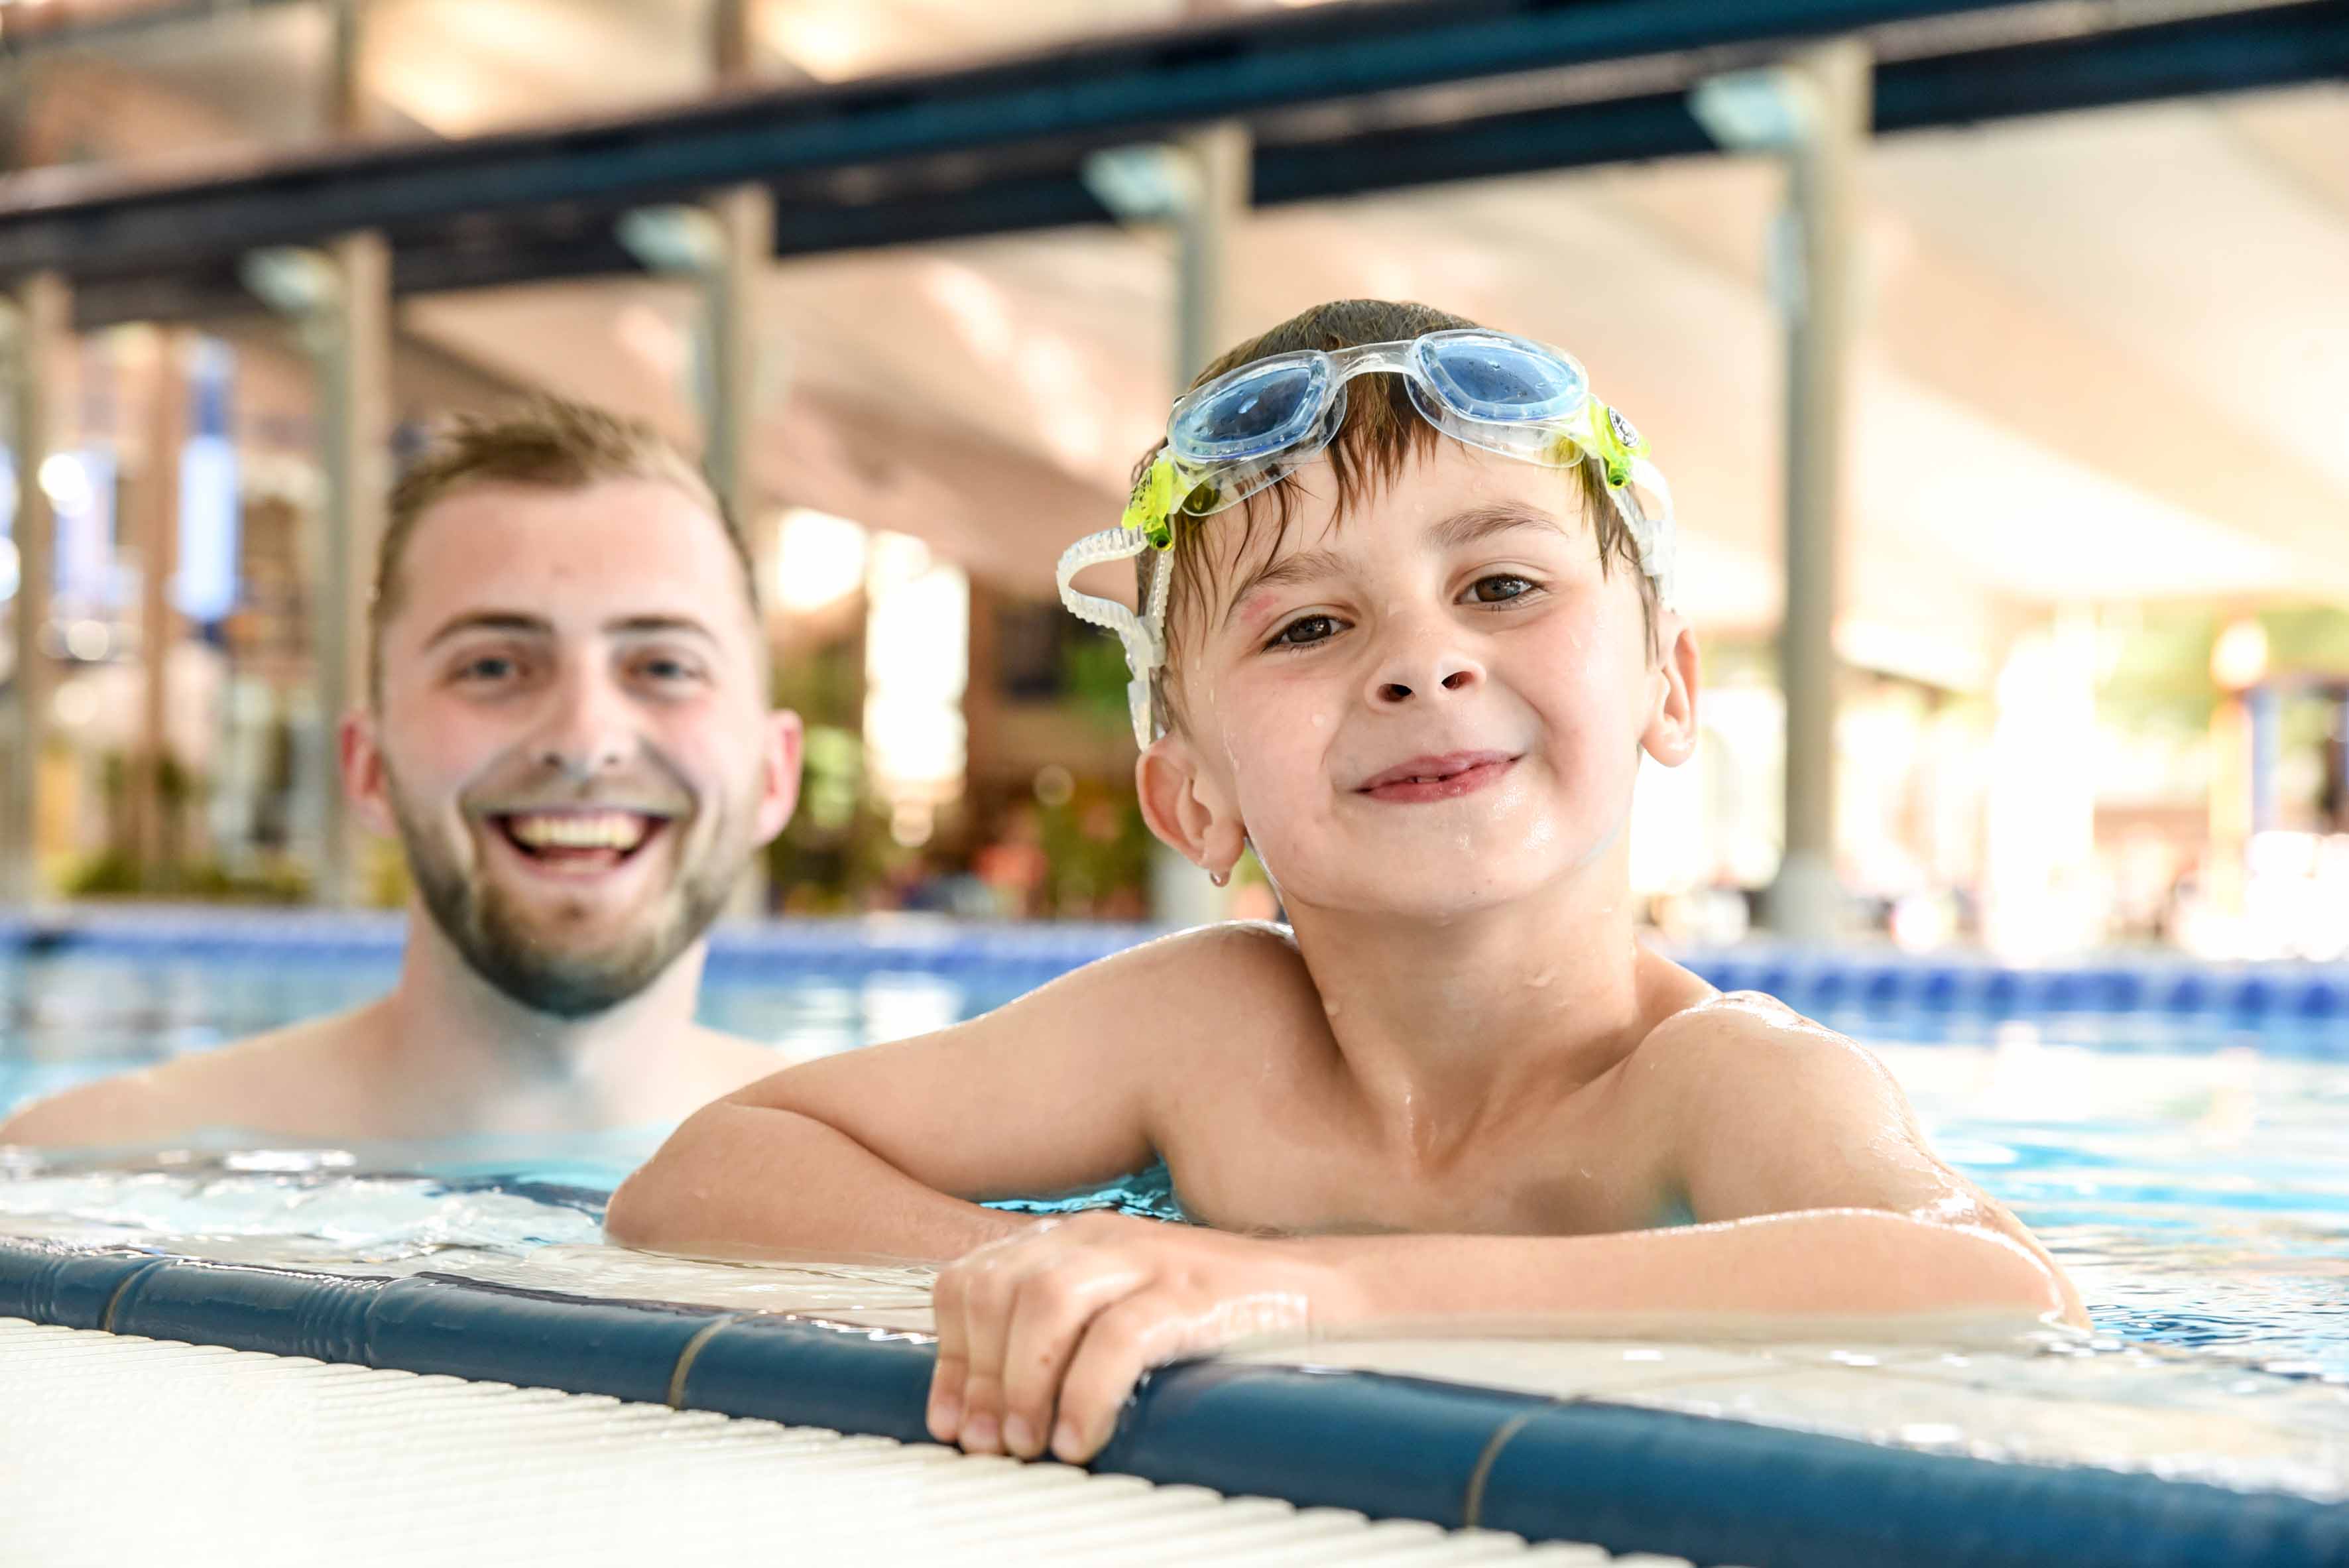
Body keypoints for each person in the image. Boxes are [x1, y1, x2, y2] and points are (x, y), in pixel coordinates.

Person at [606, 300, 2080, 1467]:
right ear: (1190, 793)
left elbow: (1998, 1294)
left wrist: (1323, 1294)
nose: (1421, 660)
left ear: (1667, 687)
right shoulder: (1202, 1035)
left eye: (1500, 585)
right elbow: (701, 1175)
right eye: (1308, 624)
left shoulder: (1713, 1085)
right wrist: (1061, 1276)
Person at [2, 400, 802, 1148]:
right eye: (492, 665)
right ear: (369, 767)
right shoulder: (91, 1170)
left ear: (774, 772)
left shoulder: (906, 1201)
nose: (584, 739)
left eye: (664, 666)